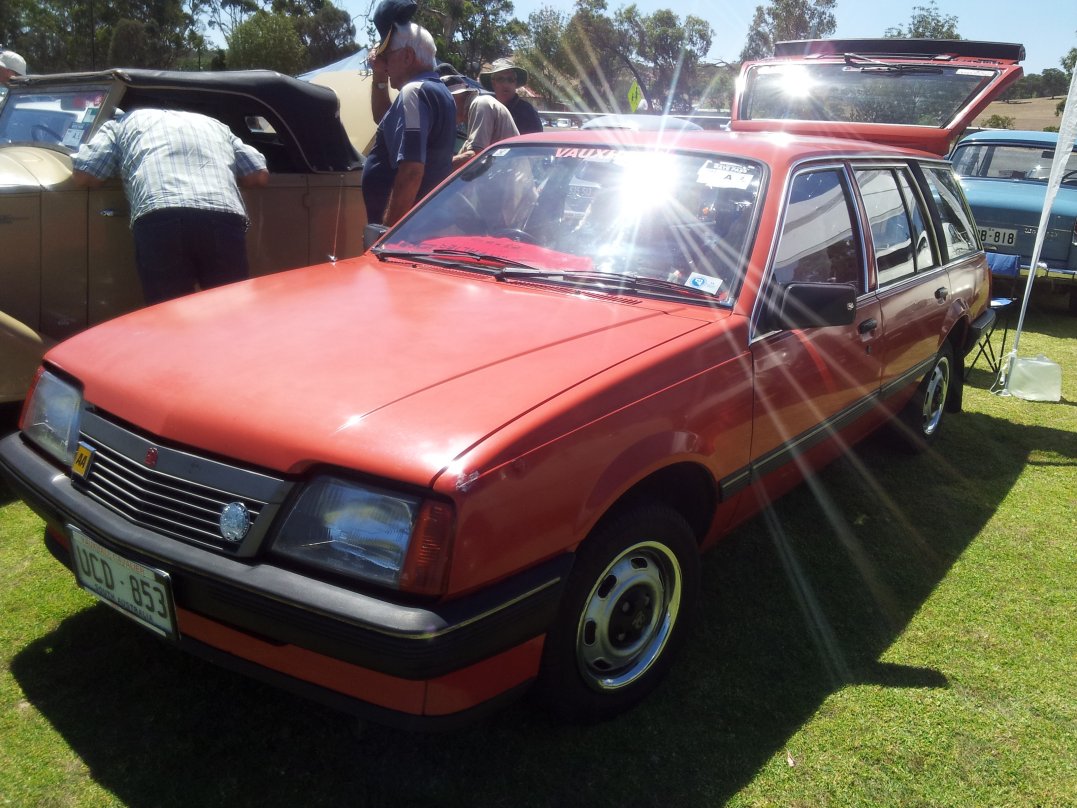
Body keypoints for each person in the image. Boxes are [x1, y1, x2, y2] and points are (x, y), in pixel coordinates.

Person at [71, 108, 269, 305]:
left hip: (161, 214)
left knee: (169, 311)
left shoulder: (120, 124)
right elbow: (257, 175)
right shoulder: (215, 125)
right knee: (230, 308)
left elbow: (87, 175)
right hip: (223, 214)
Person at [365, 9, 456, 227]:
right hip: (423, 225)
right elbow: (384, 119)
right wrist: (379, 76)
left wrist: (387, 235)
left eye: (387, 57)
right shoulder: (438, 91)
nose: (383, 63)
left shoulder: (414, 92)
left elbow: (412, 171)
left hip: (404, 235)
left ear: (407, 56)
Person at [441, 73, 518, 168]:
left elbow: (476, 155)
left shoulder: (480, 104)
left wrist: (439, 167)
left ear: (456, 97)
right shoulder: (475, 109)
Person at [478, 58, 543, 136]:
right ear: (493, 83)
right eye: (500, 79)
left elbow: (533, 144)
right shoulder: (486, 109)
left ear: (515, 83)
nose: (506, 84)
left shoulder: (527, 112)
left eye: (510, 79)